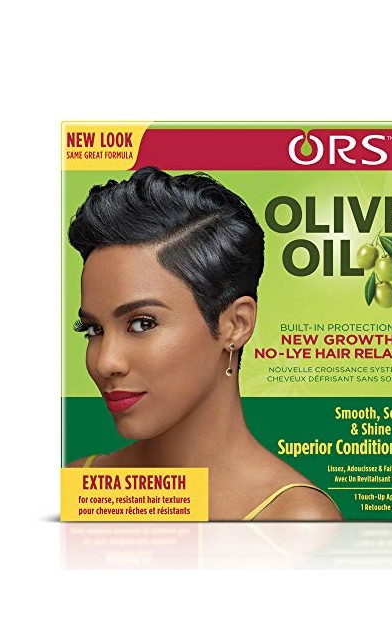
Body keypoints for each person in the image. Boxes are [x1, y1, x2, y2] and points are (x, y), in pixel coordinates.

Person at [66, 166, 341, 522]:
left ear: (236, 325)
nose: (106, 363)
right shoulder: (79, 486)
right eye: (93, 329)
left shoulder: (292, 522)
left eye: (142, 323)